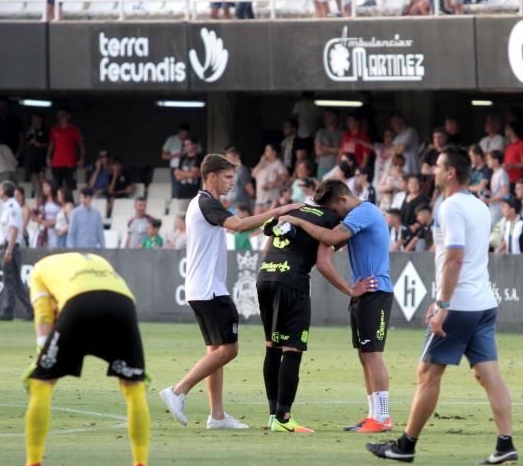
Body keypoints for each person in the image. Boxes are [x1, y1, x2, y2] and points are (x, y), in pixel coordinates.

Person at [366, 148, 518, 465]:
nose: (432, 171)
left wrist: (444, 303)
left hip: (460, 305)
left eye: (437, 166)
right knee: (488, 374)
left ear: (450, 172)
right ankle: (505, 444)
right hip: (483, 303)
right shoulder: (479, 206)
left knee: (428, 372)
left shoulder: (450, 207)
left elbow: (454, 257)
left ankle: (406, 445)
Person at [159, 155, 299, 430]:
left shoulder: (202, 204)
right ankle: (178, 391)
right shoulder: (206, 202)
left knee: (215, 351)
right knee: (229, 349)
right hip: (210, 290)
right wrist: (281, 210)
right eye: (227, 177)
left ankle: (218, 416)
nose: (231, 182)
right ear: (210, 175)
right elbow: (238, 226)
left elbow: (240, 225)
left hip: (200, 288)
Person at [7, 252, 153, 466]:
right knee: (134, 387)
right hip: (124, 306)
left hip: (79, 304)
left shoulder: (39, 270)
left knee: (41, 384)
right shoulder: (96, 259)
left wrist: (42, 359)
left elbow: (44, 316)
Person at [279, 178, 394, 433]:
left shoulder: (364, 211)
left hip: (376, 291)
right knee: (365, 356)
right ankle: (374, 415)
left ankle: (384, 417)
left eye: (334, 210)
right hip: (364, 293)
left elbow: (331, 236)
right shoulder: (359, 216)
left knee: (373, 355)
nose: (334, 215)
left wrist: (297, 220)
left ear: (343, 200)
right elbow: (332, 242)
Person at [257, 197, 372, 433]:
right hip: (293, 281)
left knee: (272, 346)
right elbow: (323, 263)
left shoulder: (296, 208)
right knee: (292, 348)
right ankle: (284, 417)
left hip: (266, 276)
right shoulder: (330, 219)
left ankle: (273, 416)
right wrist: (350, 290)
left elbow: (266, 249)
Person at [0, 181, 34, 322]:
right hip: (8, 246)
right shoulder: (9, 206)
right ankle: (30, 310)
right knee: (15, 281)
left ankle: (8, 311)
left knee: (10, 280)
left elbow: (14, 229)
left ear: (4, 191)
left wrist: (9, 251)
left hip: (10, 247)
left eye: (0, 188)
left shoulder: (12, 206)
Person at [48, 110, 85, 191]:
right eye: (60, 116)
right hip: (56, 162)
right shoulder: (54, 129)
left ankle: (69, 202)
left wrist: (82, 158)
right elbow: (52, 143)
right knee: (56, 186)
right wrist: (48, 157)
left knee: (70, 186)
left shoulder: (74, 129)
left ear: (68, 116)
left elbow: (81, 144)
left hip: (70, 163)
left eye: (63, 116)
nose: (62, 118)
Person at [252, 143, 288, 213]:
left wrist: (271, 185)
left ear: (274, 152)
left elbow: (285, 181)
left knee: (268, 222)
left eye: (267, 150)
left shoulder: (278, 164)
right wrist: (261, 162)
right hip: (259, 199)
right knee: (256, 222)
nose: (265, 153)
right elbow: (253, 174)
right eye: (265, 150)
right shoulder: (263, 163)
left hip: (271, 200)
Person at [32, 179, 61, 248]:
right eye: (43, 187)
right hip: (43, 231)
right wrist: (43, 222)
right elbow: (33, 216)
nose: (44, 189)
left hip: (56, 229)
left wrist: (51, 222)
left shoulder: (58, 199)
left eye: (46, 186)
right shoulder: (41, 201)